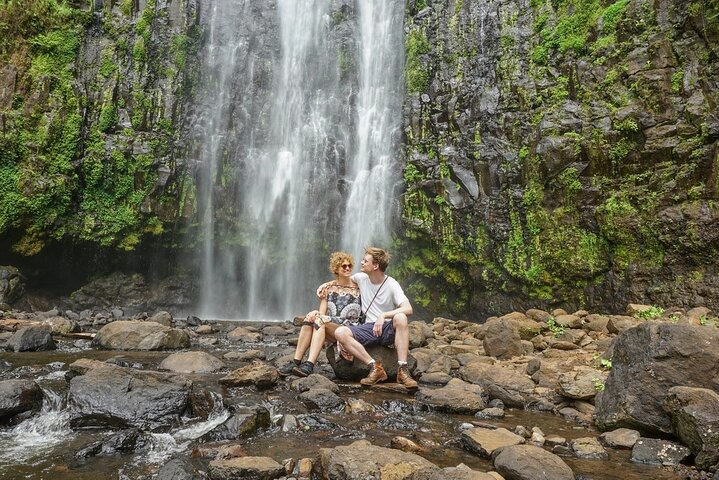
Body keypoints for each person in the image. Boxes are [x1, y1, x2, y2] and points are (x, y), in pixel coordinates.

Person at [332, 247, 418, 389]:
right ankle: (374, 367)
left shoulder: (391, 284)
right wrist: (325, 286)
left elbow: (408, 308)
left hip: (387, 329)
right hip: (368, 329)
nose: (361, 263)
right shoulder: (361, 278)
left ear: (375, 266)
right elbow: (342, 280)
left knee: (401, 317)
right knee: (340, 332)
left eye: (365, 261)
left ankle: (402, 370)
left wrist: (383, 315)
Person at [278, 252, 361, 377]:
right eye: (344, 266)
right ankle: (296, 361)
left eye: (350, 265)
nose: (348, 268)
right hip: (333, 324)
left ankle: (310, 364)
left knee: (320, 320)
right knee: (310, 318)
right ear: (336, 269)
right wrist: (315, 314)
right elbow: (322, 312)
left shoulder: (359, 287)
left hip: (350, 327)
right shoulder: (328, 288)